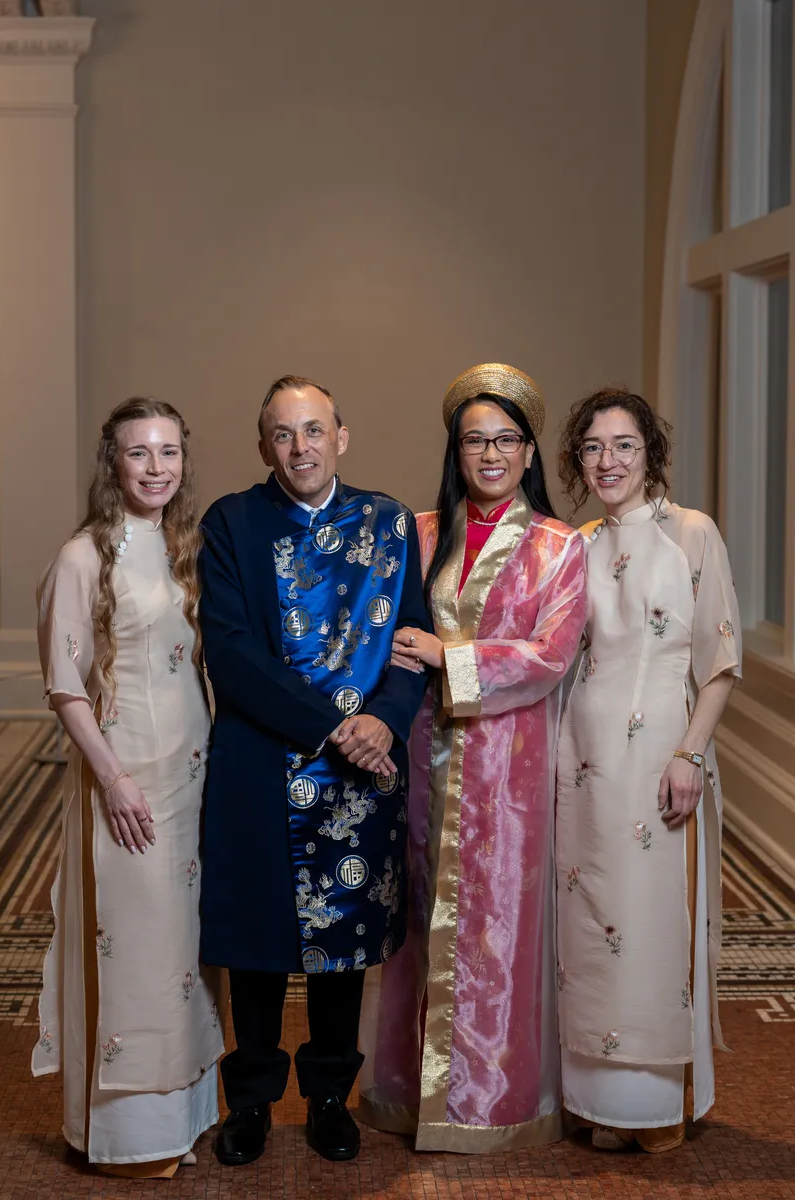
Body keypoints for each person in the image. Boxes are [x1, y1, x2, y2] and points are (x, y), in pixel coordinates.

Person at [199, 374, 431, 1165]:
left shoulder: (389, 522)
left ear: (341, 437)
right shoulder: (232, 522)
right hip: (262, 763)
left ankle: (331, 1094)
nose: (300, 448)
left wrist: (384, 721)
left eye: (314, 430)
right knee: (257, 943)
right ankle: (252, 1101)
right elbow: (231, 654)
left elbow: (411, 641)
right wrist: (336, 728)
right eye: (283, 433)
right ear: (264, 445)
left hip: (364, 769)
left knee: (346, 941)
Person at [357, 363, 587, 1152]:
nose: (491, 454)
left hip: (507, 768)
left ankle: (489, 1104)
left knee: (496, 927)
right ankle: (402, 1092)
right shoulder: (419, 533)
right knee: (415, 918)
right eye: (474, 440)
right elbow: (380, 632)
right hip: (417, 758)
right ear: (455, 451)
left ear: (529, 452)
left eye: (505, 440)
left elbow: (549, 655)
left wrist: (448, 654)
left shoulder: (559, 547)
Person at [31, 398, 223, 1179]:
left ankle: (184, 1117)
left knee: (186, 950)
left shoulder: (184, 546)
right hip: (129, 778)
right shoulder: (85, 555)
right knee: (137, 948)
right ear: (113, 461)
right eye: (139, 452)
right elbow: (64, 687)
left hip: (192, 777)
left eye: (168, 452)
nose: (155, 467)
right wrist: (111, 780)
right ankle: (129, 1137)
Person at [555, 388, 741, 1152]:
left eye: (624, 445)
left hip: (663, 756)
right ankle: (594, 1101)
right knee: (587, 926)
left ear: (650, 454)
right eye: (593, 447)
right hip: (580, 759)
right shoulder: (575, 544)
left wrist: (689, 753)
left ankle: (653, 1108)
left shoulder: (691, 533)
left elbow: (720, 662)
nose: (608, 461)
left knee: (652, 923)